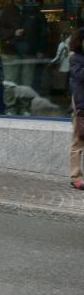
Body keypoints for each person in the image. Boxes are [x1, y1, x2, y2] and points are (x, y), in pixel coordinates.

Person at [0, 0, 46, 114]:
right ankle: (10, 108)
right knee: (11, 83)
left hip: (29, 52)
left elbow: (43, 32)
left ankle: (24, 108)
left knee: (26, 83)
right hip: (10, 52)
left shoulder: (33, 10)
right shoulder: (4, 12)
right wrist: (13, 33)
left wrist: (40, 49)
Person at [68, 28, 84, 190]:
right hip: (81, 105)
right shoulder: (75, 59)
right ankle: (75, 177)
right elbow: (79, 76)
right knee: (78, 141)